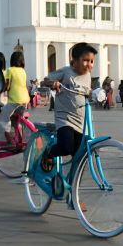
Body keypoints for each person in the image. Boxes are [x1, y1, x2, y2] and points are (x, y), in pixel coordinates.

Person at [39, 43, 96, 171]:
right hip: (64, 118)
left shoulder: (88, 75)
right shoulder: (66, 72)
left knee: (79, 154)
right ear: (74, 61)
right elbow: (45, 80)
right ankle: (48, 152)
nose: (89, 64)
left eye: (91, 61)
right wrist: (53, 83)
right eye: (85, 60)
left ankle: (72, 183)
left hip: (81, 120)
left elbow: (87, 91)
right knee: (66, 147)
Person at [0, 51, 29, 144]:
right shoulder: (23, 71)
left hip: (14, 101)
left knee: (2, 119)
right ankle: (20, 139)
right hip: (24, 102)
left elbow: (5, 82)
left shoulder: (10, 70)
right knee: (15, 119)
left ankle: (9, 139)